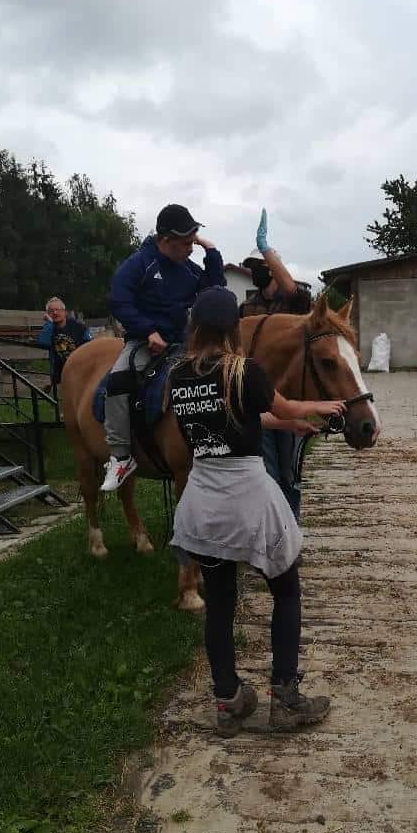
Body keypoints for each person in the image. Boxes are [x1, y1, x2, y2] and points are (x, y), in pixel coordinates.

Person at [169, 287, 345, 737]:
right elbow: (278, 403)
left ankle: (227, 701)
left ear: (194, 329)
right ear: (234, 329)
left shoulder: (180, 375)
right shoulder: (243, 369)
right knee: (286, 590)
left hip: (202, 502)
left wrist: (288, 424)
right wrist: (318, 407)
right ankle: (285, 697)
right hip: (246, 496)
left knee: (221, 603)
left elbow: (239, 414)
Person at [101, 204, 225, 492]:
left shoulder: (188, 269)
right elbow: (119, 301)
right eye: (185, 244)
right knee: (118, 380)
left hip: (184, 342)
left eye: (192, 242)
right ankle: (121, 456)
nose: (190, 249)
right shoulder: (139, 264)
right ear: (166, 240)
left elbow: (213, 292)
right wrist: (147, 330)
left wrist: (212, 253)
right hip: (145, 342)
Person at [239, 209, 312, 519]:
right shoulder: (246, 307)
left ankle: (290, 529)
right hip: (259, 401)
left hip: (290, 398)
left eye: (259, 267)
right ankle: (271, 533)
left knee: (289, 474)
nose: (254, 272)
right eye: (253, 267)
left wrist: (266, 249)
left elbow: (293, 289)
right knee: (265, 473)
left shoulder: (294, 300)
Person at [35, 296, 92, 386]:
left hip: (81, 373)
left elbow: (90, 345)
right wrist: (50, 323)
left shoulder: (79, 327)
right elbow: (43, 343)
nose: (55, 313)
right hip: (61, 375)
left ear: (64, 312)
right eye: (51, 311)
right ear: (47, 315)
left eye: (58, 309)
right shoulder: (49, 329)